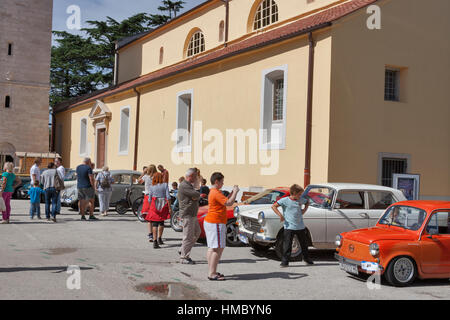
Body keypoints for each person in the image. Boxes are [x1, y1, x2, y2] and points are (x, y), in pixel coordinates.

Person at [204, 172, 239, 280]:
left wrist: (232, 192)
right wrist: (236, 193)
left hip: (212, 221)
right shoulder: (215, 192)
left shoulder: (213, 192)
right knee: (217, 248)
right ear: (216, 181)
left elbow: (224, 201)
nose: (223, 183)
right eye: (222, 181)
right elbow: (228, 203)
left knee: (212, 247)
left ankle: (211, 270)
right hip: (216, 222)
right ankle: (212, 273)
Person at [271, 184, 313, 267]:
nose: (300, 196)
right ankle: (285, 261)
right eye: (299, 194)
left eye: (301, 194)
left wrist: (304, 209)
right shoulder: (285, 200)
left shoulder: (300, 200)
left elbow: (307, 202)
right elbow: (274, 206)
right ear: (294, 193)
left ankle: (306, 259)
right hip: (289, 227)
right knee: (287, 245)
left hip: (300, 226)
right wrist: (280, 215)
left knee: (304, 244)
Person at [178, 168, 201, 264]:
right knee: (188, 236)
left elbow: (196, 195)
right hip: (187, 214)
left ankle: (182, 249)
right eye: (195, 176)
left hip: (192, 213)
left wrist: (196, 196)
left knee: (197, 232)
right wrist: (196, 195)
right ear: (190, 176)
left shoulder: (188, 185)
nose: (196, 178)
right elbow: (196, 194)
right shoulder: (184, 185)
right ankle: (184, 257)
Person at [145, 172, 172, 249]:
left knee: (155, 223)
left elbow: (149, 199)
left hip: (154, 204)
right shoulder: (165, 185)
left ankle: (155, 241)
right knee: (161, 221)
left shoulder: (152, 186)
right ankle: (160, 238)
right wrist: (170, 208)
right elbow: (168, 197)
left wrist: (151, 205)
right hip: (163, 204)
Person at [139, 164, 157, 241]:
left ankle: (150, 234)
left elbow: (139, 181)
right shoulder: (157, 176)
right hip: (156, 197)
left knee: (149, 217)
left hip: (147, 196)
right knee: (155, 217)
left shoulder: (146, 177)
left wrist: (143, 172)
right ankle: (156, 235)